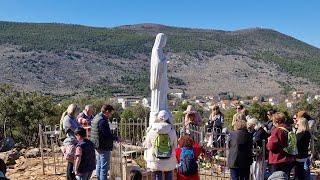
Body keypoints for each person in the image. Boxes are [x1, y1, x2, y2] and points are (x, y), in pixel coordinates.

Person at [144, 110, 177, 180]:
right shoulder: (172, 131)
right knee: (169, 174)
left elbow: (148, 145)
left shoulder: (152, 130)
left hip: (155, 158)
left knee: (157, 175)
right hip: (169, 158)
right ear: (168, 118)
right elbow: (175, 146)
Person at [91, 104, 119, 180]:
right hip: (103, 146)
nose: (110, 115)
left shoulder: (96, 117)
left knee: (99, 165)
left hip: (97, 145)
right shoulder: (102, 121)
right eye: (110, 113)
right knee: (104, 168)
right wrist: (117, 138)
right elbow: (107, 134)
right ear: (107, 111)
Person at [266, 112, 295, 178]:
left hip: (278, 159)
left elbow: (271, 146)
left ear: (276, 121)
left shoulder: (277, 130)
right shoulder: (288, 129)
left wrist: (268, 142)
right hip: (288, 158)